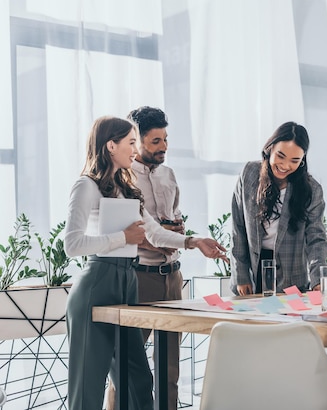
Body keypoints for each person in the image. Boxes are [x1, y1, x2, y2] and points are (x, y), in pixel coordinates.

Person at [64, 116, 227, 410]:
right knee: (87, 387)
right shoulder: (85, 186)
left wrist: (193, 242)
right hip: (97, 285)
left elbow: (154, 232)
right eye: (130, 143)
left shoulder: (126, 187)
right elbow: (72, 244)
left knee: (138, 380)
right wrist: (123, 237)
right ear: (110, 146)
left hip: (127, 284)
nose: (134, 149)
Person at [105, 106, 184, 410]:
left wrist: (176, 229)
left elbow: (174, 218)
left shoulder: (169, 174)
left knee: (170, 367)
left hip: (172, 278)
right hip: (140, 278)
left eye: (165, 139)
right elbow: (142, 228)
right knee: (127, 368)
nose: (163, 147)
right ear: (135, 140)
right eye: (155, 141)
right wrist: (165, 233)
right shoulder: (123, 177)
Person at [230, 121, 327, 295]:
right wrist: (241, 275)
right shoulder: (249, 174)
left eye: (295, 160)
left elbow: (316, 238)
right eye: (280, 156)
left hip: (292, 279)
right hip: (253, 272)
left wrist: (318, 281)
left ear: (303, 160)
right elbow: (238, 228)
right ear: (270, 149)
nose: (285, 166)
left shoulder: (311, 189)